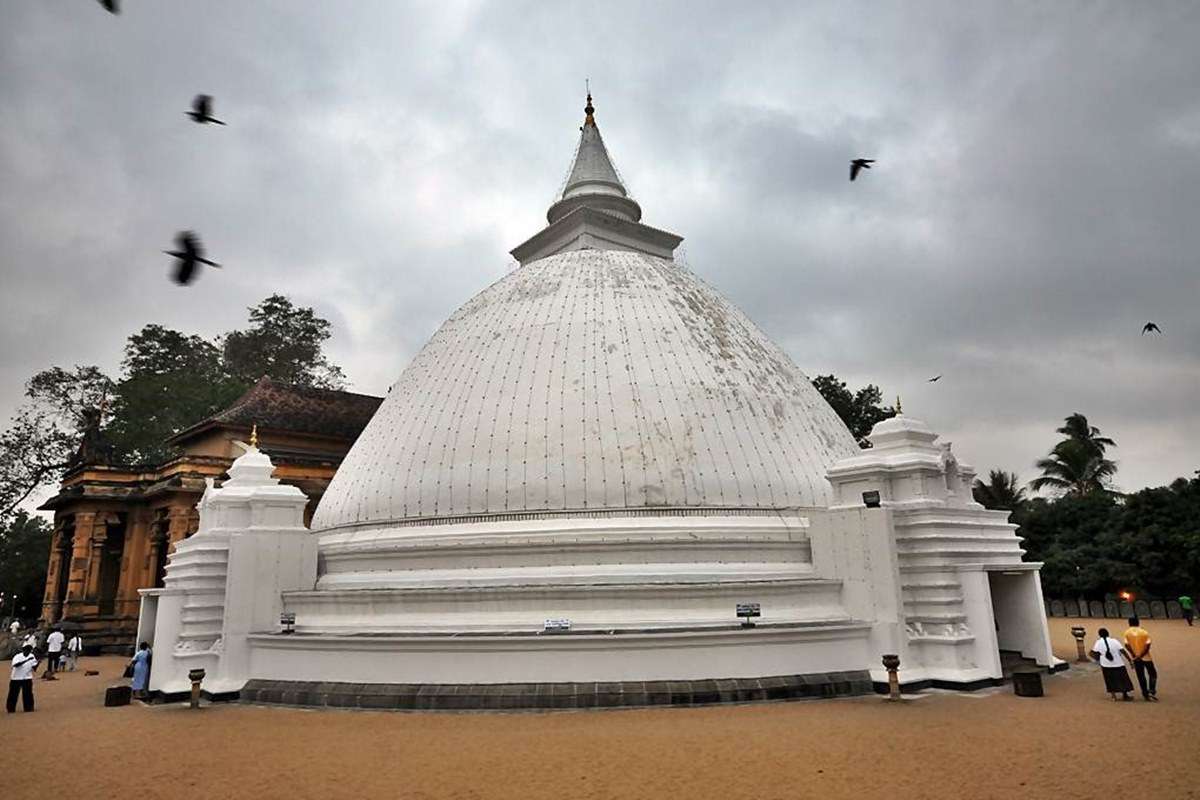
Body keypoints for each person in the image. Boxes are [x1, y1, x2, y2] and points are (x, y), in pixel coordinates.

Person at [1090, 627, 1133, 701]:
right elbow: (1123, 651)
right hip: (1118, 663)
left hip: (1106, 665)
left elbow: (1092, 653)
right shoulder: (1115, 641)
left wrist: (1099, 659)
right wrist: (1130, 661)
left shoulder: (1098, 642)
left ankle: (1113, 696)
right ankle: (1125, 695)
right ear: (1108, 634)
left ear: (1099, 635)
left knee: (1110, 680)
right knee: (1123, 680)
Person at [1123, 616, 1158, 701]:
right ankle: (1152, 690)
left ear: (1129, 623)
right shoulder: (1144, 632)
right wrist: (1141, 655)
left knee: (1140, 675)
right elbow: (1148, 645)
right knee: (1153, 674)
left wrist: (1134, 655)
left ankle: (1145, 693)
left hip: (1135, 658)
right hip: (1146, 657)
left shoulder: (1127, 633)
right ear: (1138, 622)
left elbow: (1127, 645)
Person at [7, 644, 38, 713]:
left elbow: (34, 668)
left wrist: (38, 663)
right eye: (26, 651)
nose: (28, 652)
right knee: (13, 694)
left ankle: (28, 708)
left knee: (28, 694)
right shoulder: (17, 656)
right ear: (23, 650)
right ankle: (11, 708)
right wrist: (27, 660)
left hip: (27, 677)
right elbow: (16, 665)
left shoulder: (32, 656)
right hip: (16, 678)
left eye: (29, 651)